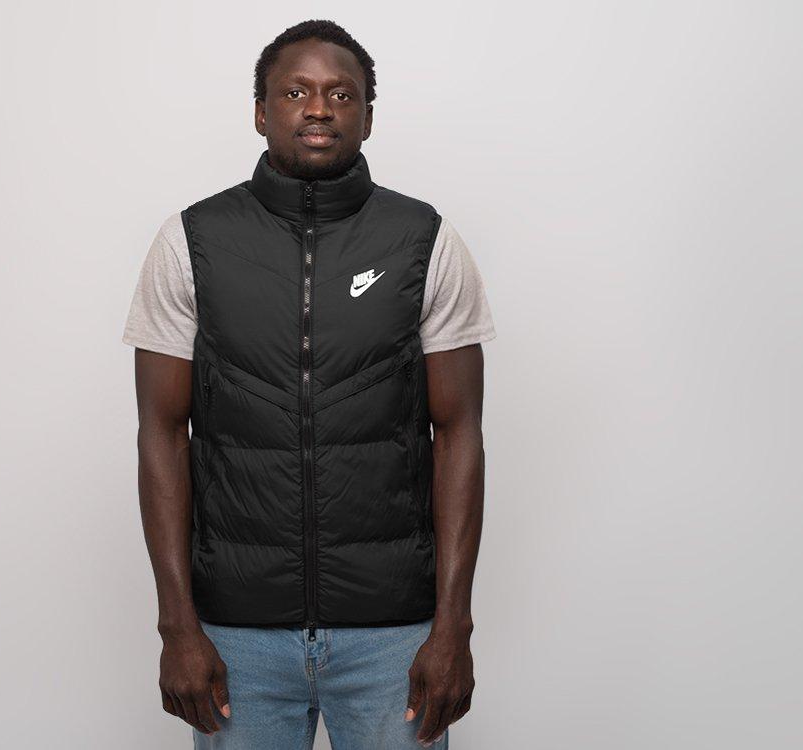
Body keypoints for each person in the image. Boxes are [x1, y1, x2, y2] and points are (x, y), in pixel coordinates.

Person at [122, 19, 496, 749]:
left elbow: (460, 433)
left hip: (394, 636)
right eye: (295, 92)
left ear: (368, 116)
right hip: (235, 635)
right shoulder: (191, 241)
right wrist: (177, 626)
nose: (319, 108)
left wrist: (453, 626)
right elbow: (160, 433)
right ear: (261, 112)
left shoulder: (425, 240)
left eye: (340, 94)